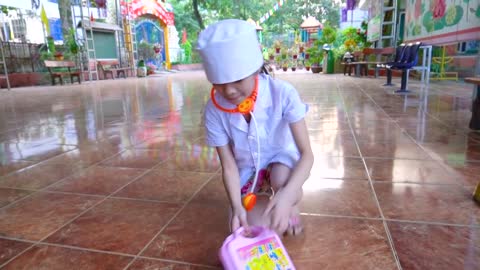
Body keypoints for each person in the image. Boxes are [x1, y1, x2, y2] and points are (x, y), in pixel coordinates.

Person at [197, 19, 314, 236]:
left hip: (282, 163)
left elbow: (307, 155)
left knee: (283, 182)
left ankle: (290, 201)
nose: (229, 91)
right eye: (219, 83)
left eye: (238, 80)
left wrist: (287, 197)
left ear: (255, 69)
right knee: (253, 226)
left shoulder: (283, 94)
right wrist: (236, 207)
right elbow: (229, 167)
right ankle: (270, 204)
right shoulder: (213, 110)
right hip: (248, 170)